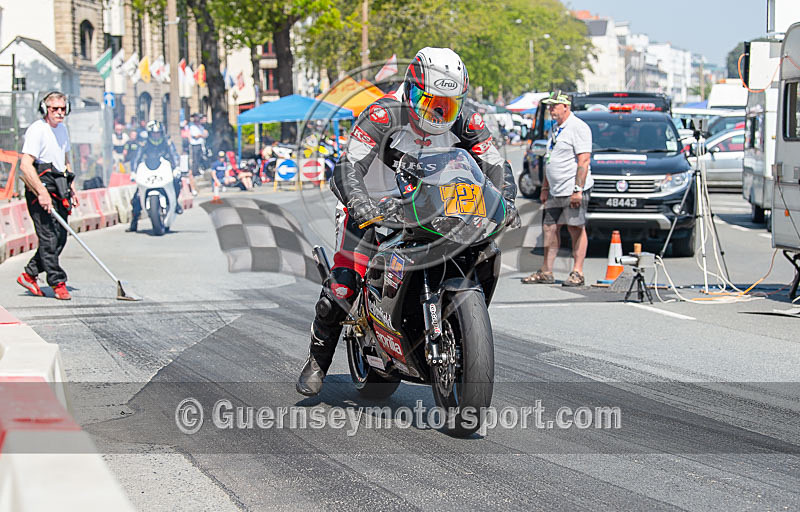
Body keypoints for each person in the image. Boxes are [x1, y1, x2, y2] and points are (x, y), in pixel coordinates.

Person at [296, 47, 519, 396]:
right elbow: (347, 164)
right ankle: (317, 361)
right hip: (374, 208)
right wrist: (359, 203)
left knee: (481, 250)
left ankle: (453, 325)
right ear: (412, 88)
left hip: (435, 205)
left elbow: (495, 164)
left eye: (448, 105)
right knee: (342, 286)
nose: (439, 112)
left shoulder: (468, 120)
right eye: (432, 101)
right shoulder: (383, 115)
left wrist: (505, 200)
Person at [522, 91, 593, 287]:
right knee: (549, 228)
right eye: (550, 105)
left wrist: (578, 189)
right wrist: (545, 187)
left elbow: (584, 160)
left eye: (554, 105)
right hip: (555, 189)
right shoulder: (556, 128)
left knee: (575, 228)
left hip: (572, 189)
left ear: (566, 107)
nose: (551, 109)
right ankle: (546, 270)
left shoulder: (578, 127)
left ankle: (577, 271)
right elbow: (550, 159)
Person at [16, 91, 77, 300]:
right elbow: (25, 165)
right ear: (45, 109)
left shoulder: (62, 130)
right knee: (49, 237)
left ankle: (29, 274)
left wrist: (72, 188)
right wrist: (42, 193)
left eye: (62, 109)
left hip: (59, 186)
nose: (59, 113)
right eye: (54, 109)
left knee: (60, 237)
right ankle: (57, 281)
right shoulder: (37, 130)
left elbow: (65, 159)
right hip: (40, 187)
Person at [127, 120, 183, 232]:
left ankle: (175, 203)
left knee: (177, 181)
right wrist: (133, 171)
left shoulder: (167, 142)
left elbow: (174, 155)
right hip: (149, 170)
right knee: (136, 197)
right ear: (149, 134)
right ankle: (134, 222)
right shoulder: (144, 143)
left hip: (165, 169)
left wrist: (176, 167)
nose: (156, 136)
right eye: (153, 133)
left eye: (158, 133)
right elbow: (137, 157)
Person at [187, 114, 206, 195]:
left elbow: (205, 134)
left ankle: (198, 170)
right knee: (195, 159)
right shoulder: (192, 127)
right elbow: (196, 136)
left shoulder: (200, 127)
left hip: (200, 144)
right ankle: (194, 171)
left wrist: (202, 135)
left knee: (200, 158)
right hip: (194, 144)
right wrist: (201, 135)